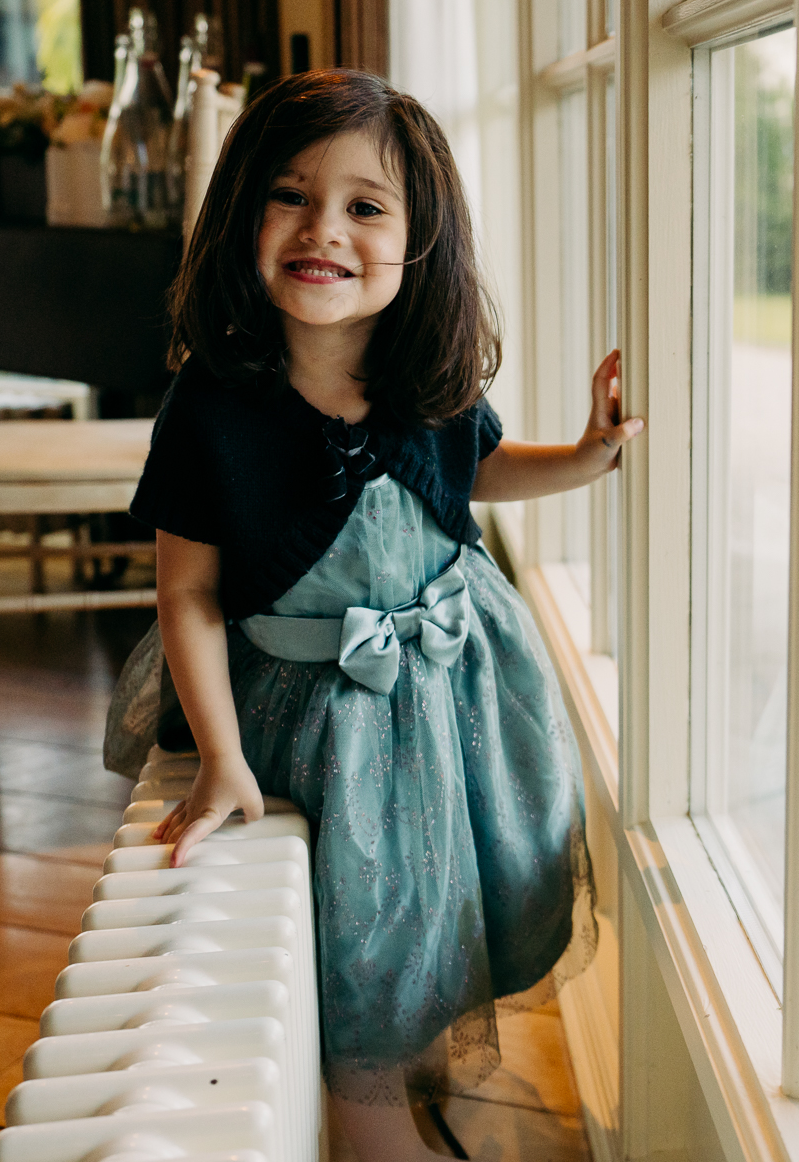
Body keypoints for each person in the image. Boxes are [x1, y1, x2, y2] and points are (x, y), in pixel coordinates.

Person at [111, 68, 641, 1161]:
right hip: (317, 718)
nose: (323, 230)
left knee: (441, 904)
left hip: (456, 696)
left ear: (420, 239)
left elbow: (479, 470)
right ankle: (367, 1118)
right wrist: (220, 757)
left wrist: (591, 453)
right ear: (240, 214)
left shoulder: (422, 377)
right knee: (357, 929)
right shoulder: (215, 406)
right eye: (290, 196)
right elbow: (189, 591)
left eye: (365, 206)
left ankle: (403, 1072)